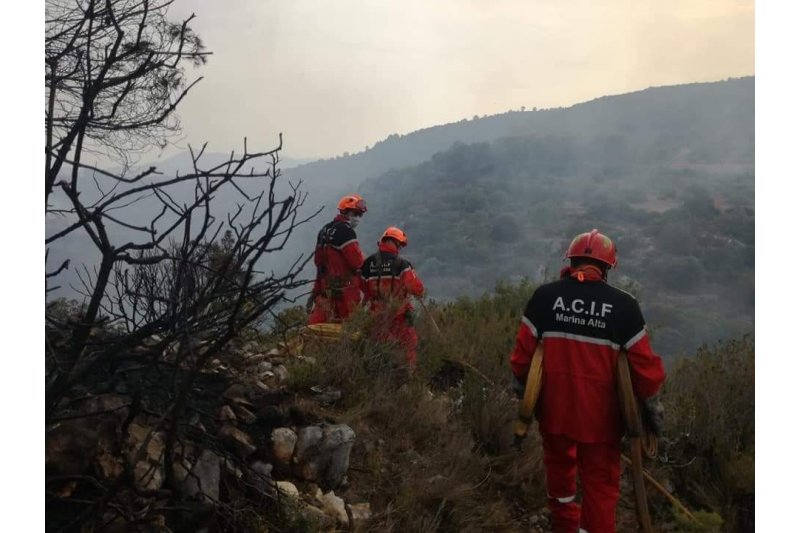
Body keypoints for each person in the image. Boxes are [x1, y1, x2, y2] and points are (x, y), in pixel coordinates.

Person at [509, 229, 666, 533]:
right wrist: (652, 414)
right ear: (608, 267)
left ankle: (566, 526)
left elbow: (522, 358)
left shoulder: (544, 297)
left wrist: (521, 394)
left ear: (572, 260)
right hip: (601, 423)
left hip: (554, 414)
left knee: (560, 474)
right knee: (601, 487)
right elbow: (646, 371)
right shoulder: (624, 307)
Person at [360, 226, 425, 371]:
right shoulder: (401, 264)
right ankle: (407, 378)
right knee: (408, 345)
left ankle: (376, 378)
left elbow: (363, 288)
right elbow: (417, 289)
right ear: (397, 243)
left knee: (378, 349)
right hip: (399, 315)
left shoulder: (367, 264)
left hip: (375, 315)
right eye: (400, 245)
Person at [307, 194, 367, 325]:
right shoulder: (345, 231)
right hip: (346, 291)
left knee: (317, 329)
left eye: (360, 215)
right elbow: (357, 262)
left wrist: (316, 289)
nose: (358, 218)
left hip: (325, 288)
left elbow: (318, 262)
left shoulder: (324, 230)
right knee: (347, 331)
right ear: (347, 212)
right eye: (356, 214)